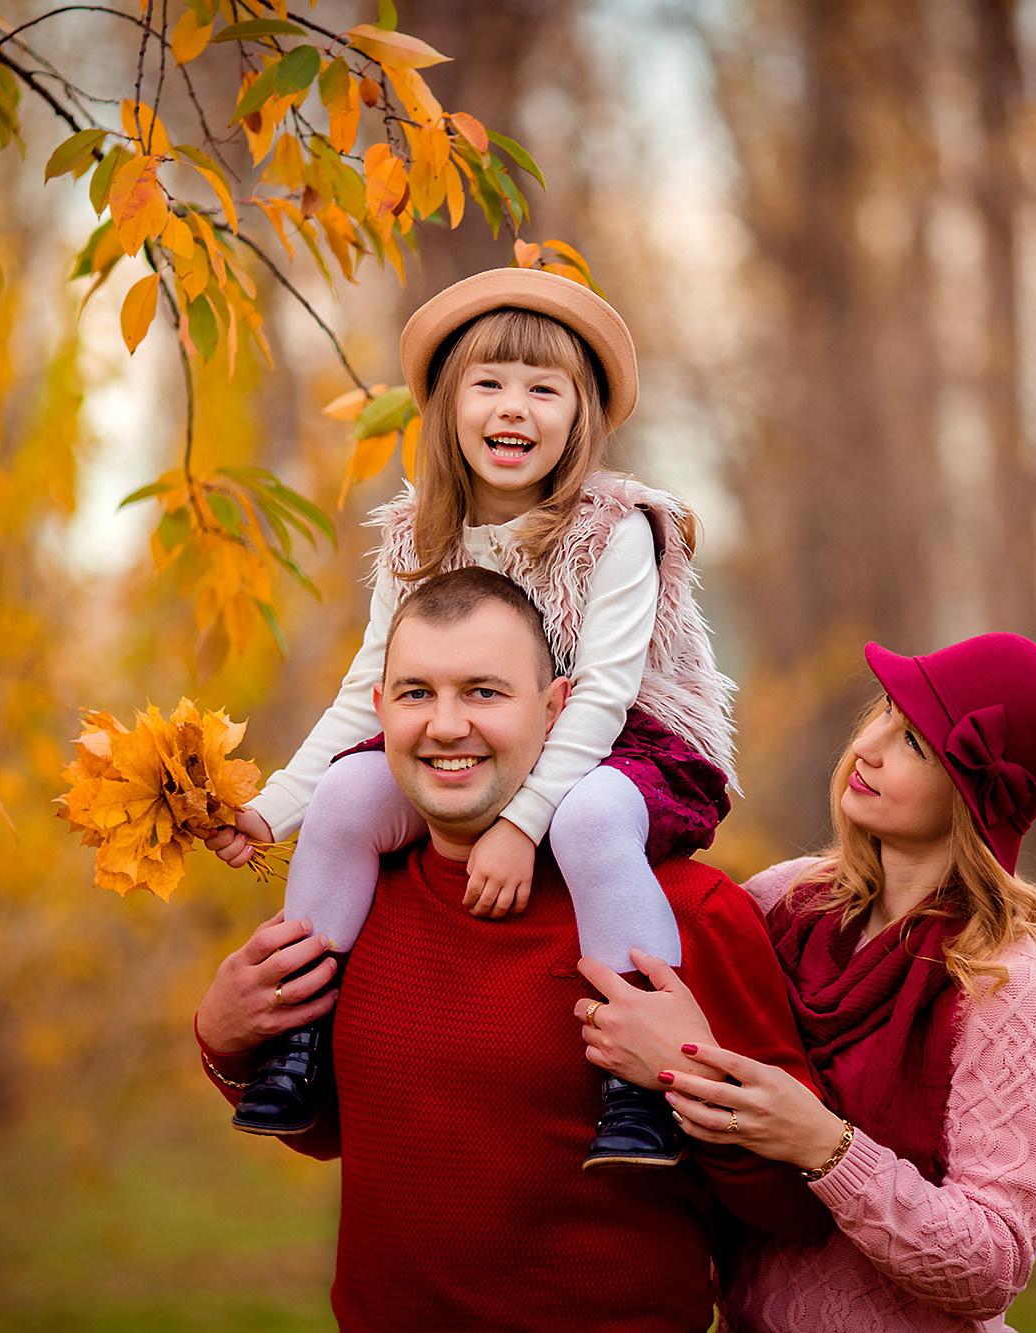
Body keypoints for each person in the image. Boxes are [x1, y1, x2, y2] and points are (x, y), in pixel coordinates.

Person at [195, 568, 827, 1332]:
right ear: (380, 709)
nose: (446, 725)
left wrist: (693, 1081)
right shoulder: (357, 898)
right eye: (417, 692)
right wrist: (226, 1044)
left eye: (484, 692)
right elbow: (335, 1136)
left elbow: (797, 1205)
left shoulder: (686, 909)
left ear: (557, 709)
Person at [209, 268, 735, 1168]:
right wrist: (272, 809)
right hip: (474, 740)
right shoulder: (418, 534)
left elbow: (603, 695)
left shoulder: (617, 530)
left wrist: (520, 826)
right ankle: (300, 1040)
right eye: (489, 383)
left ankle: (640, 1080)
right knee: (347, 795)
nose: (513, 407)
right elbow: (367, 688)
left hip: (618, 744)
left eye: (544, 389)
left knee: (590, 819)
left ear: (581, 417)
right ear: (450, 407)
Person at [576, 634, 1036, 1331]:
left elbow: (993, 1265)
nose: (867, 747)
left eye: (913, 742)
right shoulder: (786, 901)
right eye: (884, 711)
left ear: (973, 798)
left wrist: (824, 1145)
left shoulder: (1005, 988)